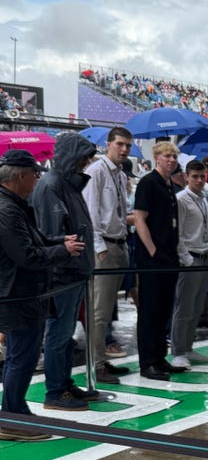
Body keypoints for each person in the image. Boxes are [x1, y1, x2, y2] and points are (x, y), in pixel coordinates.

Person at [0, 149, 85, 440]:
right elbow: (26, 255)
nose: (38, 179)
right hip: (18, 294)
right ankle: (10, 419)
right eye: (34, 174)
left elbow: (32, 240)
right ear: (20, 176)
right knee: (22, 357)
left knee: (20, 356)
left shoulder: (13, 204)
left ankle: (16, 410)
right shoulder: (7, 209)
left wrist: (60, 240)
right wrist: (63, 251)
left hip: (23, 293)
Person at [30, 131, 99, 409]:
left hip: (72, 271)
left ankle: (63, 383)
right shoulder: (52, 186)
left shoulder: (66, 184)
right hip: (62, 273)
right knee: (59, 334)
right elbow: (50, 234)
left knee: (65, 334)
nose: (86, 163)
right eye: (83, 158)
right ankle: (56, 391)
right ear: (71, 156)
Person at [84, 126, 135, 383]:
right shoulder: (96, 171)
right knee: (99, 311)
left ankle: (101, 359)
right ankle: (96, 365)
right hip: (104, 246)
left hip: (118, 244)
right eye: (120, 144)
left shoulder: (119, 173)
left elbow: (117, 211)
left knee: (107, 309)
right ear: (108, 144)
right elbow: (90, 213)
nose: (124, 149)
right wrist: (100, 248)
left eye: (128, 145)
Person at [132, 141, 186, 379]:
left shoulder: (169, 184)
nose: (171, 160)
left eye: (174, 156)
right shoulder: (148, 183)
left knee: (164, 309)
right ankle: (148, 362)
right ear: (156, 157)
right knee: (150, 310)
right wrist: (153, 251)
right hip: (153, 258)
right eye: (167, 156)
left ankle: (159, 357)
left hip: (169, 255)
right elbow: (139, 219)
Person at [170, 159, 208, 368]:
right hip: (190, 258)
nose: (199, 180)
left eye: (202, 176)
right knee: (184, 307)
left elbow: (207, 229)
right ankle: (178, 351)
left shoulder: (203, 199)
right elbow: (177, 233)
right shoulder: (181, 199)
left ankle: (188, 347)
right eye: (195, 176)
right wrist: (185, 258)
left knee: (196, 307)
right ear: (186, 177)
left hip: (203, 256)